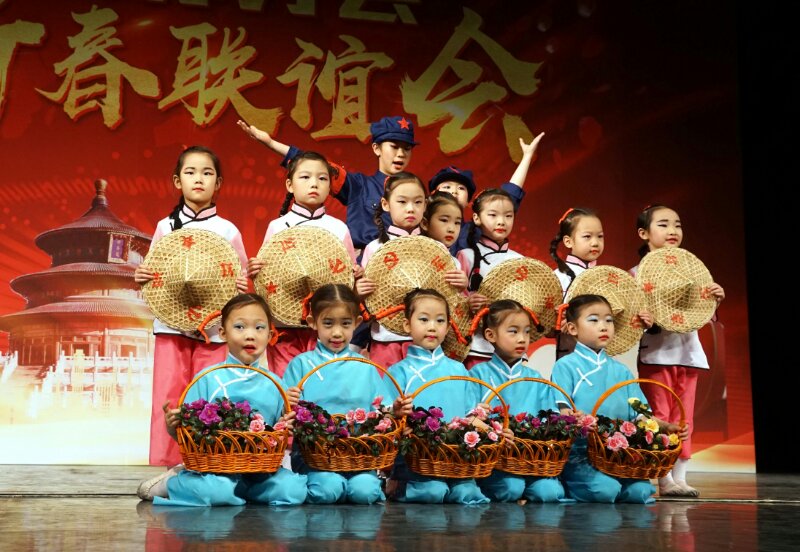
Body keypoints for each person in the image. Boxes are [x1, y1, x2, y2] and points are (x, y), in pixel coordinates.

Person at [134, 145, 248, 467]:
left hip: (214, 330)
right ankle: (164, 468)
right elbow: (154, 273)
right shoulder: (165, 227)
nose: (199, 179)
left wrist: (242, 286)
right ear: (177, 181)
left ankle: (210, 465)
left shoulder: (228, 230)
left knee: (211, 395)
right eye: (191, 172)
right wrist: (142, 275)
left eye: (207, 173)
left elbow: (239, 278)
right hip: (171, 327)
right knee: (168, 398)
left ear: (218, 183)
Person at [136, 293, 307, 506]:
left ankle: (240, 491)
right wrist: (173, 427)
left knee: (293, 490)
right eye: (240, 327)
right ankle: (173, 483)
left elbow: (279, 431)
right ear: (223, 333)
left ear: (270, 334)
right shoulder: (207, 378)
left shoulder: (276, 383)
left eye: (259, 328)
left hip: (260, 470)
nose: (250, 335)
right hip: (215, 469)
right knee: (220, 491)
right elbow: (188, 435)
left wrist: (287, 421)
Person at [550, 294, 688, 504]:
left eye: (609, 320)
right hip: (582, 455)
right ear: (572, 328)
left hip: (621, 456)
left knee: (640, 492)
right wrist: (575, 419)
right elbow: (562, 412)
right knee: (606, 490)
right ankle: (567, 482)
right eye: (594, 320)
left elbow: (642, 415)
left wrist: (666, 427)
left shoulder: (622, 371)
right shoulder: (565, 366)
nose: (603, 326)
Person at [282, 284, 413, 504]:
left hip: (358, 456)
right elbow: (286, 413)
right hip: (315, 458)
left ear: (357, 322)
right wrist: (288, 401)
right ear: (313, 322)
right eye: (328, 323)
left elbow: (383, 409)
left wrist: (396, 410)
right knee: (328, 490)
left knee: (365, 492)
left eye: (345, 324)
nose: (337, 332)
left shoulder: (366, 366)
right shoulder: (301, 364)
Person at [632, 204, 725, 498]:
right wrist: (645, 320)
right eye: (663, 224)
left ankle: (681, 477)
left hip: (688, 355)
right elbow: (630, 323)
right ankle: (663, 478)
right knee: (661, 416)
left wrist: (714, 301)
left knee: (685, 419)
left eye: (677, 224)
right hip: (656, 356)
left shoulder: (691, 273)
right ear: (644, 233)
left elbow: (701, 315)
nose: (672, 230)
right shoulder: (636, 275)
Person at [247, 150, 358, 377]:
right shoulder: (278, 227)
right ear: (290, 184)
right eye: (305, 177)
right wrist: (255, 270)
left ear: (330, 186)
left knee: (324, 380)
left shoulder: (339, 228)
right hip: (284, 324)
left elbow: (347, 281)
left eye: (322, 178)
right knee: (288, 383)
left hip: (327, 324)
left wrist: (357, 274)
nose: (314, 184)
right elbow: (267, 276)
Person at [238, 115, 417, 254]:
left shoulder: (418, 192)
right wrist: (270, 143)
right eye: (394, 146)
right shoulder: (359, 185)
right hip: (365, 268)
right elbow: (315, 165)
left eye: (407, 148)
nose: (401, 154)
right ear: (377, 148)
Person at [385, 289, 489, 504]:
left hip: (456, 458)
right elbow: (386, 418)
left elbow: (470, 414)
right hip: (417, 460)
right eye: (424, 319)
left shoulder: (459, 370)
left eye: (440, 320)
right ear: (407, 325)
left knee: (467, 493)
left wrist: (485, 425)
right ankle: (400, 485)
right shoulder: (398, 372)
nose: (432, 327)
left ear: (448, 327)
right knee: (433, 491)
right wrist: (395, 412)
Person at [469, 300, 567, 503]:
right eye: (513, 332)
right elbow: (469, 420)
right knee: (511, 488)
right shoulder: (477, 375)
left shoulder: (536, 379)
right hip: (494, 463)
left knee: (549, 492)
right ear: (490, 335)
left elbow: (551, 421)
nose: (522, 339)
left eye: (527, 332)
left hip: (532, 461)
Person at [355, 172, 427, 368]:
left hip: (425, 339)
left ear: (425, 205)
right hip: (385, 338)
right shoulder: (374, 248)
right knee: (386, 387)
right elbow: (366, 299)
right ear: (385, 204)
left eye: (418, 202)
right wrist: (358, 292)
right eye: (402, 202)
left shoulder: (434, 248)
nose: (411, 208)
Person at [428, 132, 545, 253]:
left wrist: (527, 157)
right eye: (447, 187)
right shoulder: (421, 224)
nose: (454, 191)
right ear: (433, 194)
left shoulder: (471, 231)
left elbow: (507, 198)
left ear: (468, 201)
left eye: (461, 188)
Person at [456, 188, 523, 369]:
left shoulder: (520, 260)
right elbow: (453, 300)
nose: (501, 221)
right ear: (476, 218)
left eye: (508, 216)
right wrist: (468, 302)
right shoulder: (466, 255)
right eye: (493, 215)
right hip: (476, 348)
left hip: (512, 349)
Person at [549, 207, 605, 359]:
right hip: (571, 355)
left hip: (603, 355)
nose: (595, 242)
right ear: (568, 241)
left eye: (600, 236)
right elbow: (547, 324)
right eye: (587, 236)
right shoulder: (558, 277)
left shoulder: (606, 277)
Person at [419, 191, 469, 291]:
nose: (451, 229)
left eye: (457, 222)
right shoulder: (414, 254)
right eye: (444, 220)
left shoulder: (454, 263)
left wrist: (461, 287)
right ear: (425, 223)